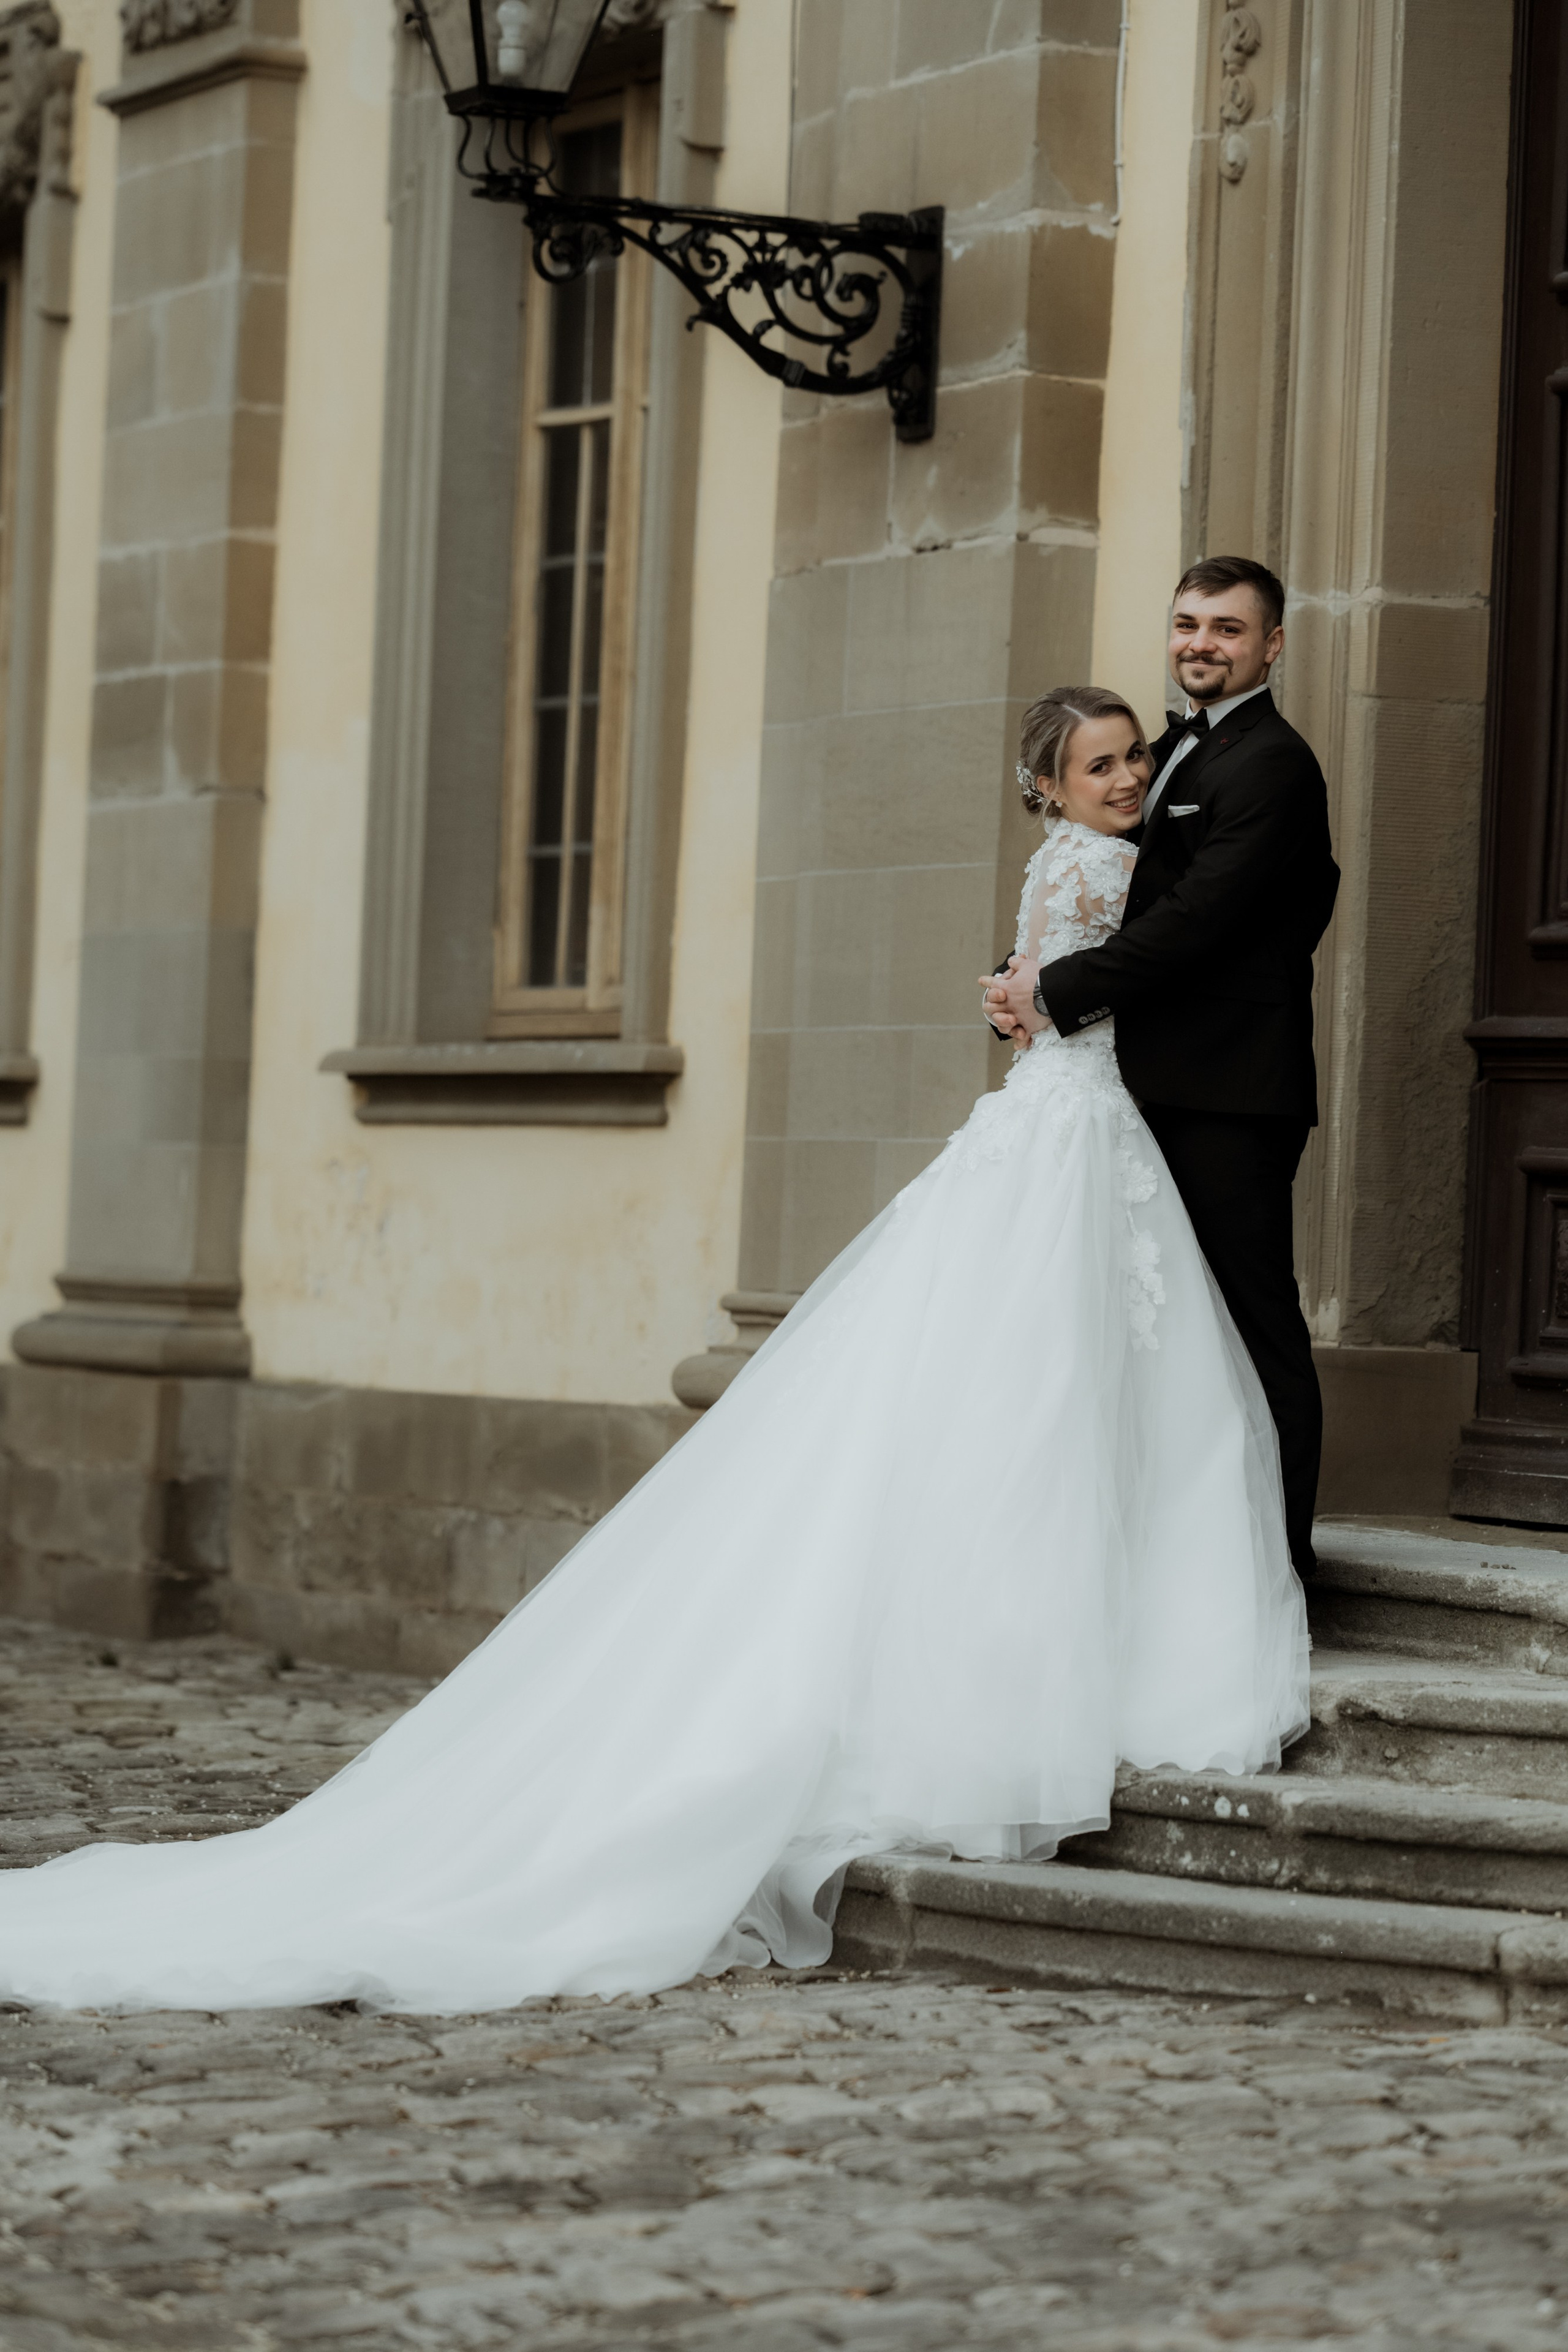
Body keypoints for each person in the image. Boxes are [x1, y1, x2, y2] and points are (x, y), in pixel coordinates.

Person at [0, 685, 1309, 2016]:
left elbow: (1044, 991)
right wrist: (1044, 990)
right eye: (1100, 762)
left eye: (1133, 756)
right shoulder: (1104, 867)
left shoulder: (1076, 862)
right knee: (1050, 1394)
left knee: (1018, 1398)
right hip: (1075, 1134)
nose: (1128, 777)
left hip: (1059, 1126)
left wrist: (1023, 994)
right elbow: (1111, 977)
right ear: (1047, 784)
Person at [987, 558, 1339, 1576]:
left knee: (1252, 1322)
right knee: (1166, 1333)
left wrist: (1051, 995)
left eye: (1228, 629)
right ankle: (1177, 1557)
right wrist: (1020, 978)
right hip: (1145, 1084)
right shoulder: (1173, 749)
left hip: (1229, 1089)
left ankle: (1278, 1570)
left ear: (1272, 645)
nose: (1202, 644)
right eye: (1188, 623)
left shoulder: (1273, 764)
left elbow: (1197, 923)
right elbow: (1108, 900)